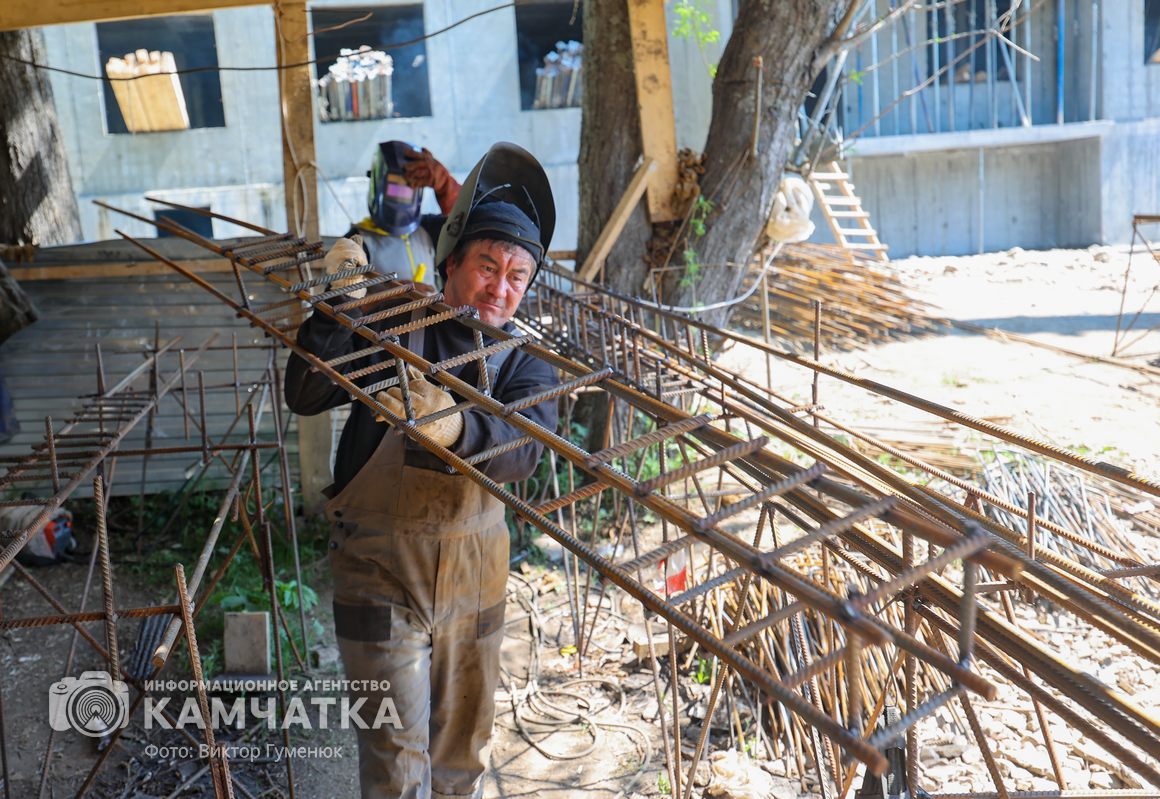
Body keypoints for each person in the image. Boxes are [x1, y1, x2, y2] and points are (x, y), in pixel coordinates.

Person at [284, 142, 559, 799]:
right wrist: (336, 309)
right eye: (486, 266)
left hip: (477, 587)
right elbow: (306, 392)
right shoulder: (396, 325)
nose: (499, 287)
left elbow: (524, 449)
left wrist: (459, 427)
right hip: (381, 579)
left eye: (516, 275)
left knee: (460, 763)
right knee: (396, 770)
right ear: (451, 262)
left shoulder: (527, 364)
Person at [348, 140, 461, 285]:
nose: (400, 197)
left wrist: (447, 186)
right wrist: (389, 297)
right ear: (378, 185)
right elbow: (335, 301)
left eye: (408, 187)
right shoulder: (356, 243)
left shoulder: (427, 229)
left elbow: (472, 224)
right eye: (394, 188)